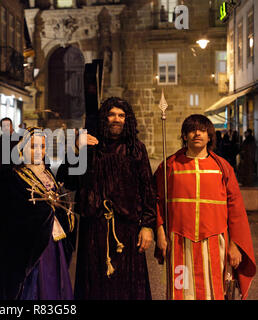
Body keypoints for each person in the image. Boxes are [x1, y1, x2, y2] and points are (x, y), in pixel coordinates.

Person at [57, 97, 156, 300]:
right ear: (104, 118)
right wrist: (76, 149)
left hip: (127, 230)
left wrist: (147, 226)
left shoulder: (136, 149)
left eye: (121, 115)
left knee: (127, 287)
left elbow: (147, 189)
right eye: (112, 114)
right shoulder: (90, 146)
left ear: (127, 119)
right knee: (94, 286)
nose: (116, 119)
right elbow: (68, 180)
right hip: (93, 228)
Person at [155, 114, 256, 300]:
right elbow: (156, 200)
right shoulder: (169, 166)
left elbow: (236, 211)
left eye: (202, 130)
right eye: (192, 130)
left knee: (213, 293)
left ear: (210, 136)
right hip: (179, 245)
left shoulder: (223, 167)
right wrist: (160, 232)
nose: (197, 134)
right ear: (184, 136)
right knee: (180, 291)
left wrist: (235, 245)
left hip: (214, 244)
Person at [0, 127, 76, 300]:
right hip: (29, 247)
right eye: (33, 146)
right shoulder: (12, 177)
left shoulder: (47, 173)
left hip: (51, 241)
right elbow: (8, 217)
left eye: (42, 147)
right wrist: (41, 213)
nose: (38, 151)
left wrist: (59, 207)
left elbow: (59, 203)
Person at [0, 117, 21, 182]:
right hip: (2, 176)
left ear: (11, 126)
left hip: (17, 176)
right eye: (4, 126)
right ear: (1, 128)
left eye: (8, 125)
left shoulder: (20, 140)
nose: (6, 128)